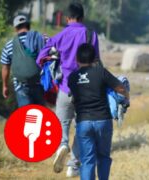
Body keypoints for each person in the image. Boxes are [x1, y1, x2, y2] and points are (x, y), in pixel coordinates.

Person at [36, 2, 99, 177]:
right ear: (82, 17)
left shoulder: (61, 35)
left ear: (67, 18)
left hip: (65, 88)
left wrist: (54, 57)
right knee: (82, 128)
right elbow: (96, 61)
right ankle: (73, 165)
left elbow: (41, 58)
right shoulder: (90, 34)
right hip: (85, 91)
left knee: (62, 123)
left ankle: (62, 144)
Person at [68, 43, 129, 180]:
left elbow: (74, 98)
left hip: (83, 123)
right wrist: (127, 99)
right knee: (103, 158)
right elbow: (121, 89)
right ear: (94, 58)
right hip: (103, 121)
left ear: (77, 59)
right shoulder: (101, 72)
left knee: (87, 160)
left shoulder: (72, 77)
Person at [1, 15, 46, 107]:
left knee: (26, 116)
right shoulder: (40, 39)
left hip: (21, 86)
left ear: (15, 28)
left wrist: (5, 85)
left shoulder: (9, 45)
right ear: (28, 26)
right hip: (40, 84)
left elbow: (5, 67)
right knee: (40, 116)